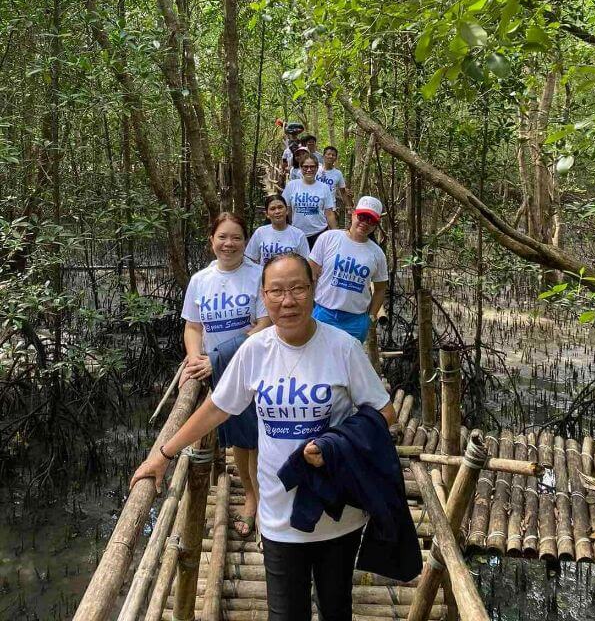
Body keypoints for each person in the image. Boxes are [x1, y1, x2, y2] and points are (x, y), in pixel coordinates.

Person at [130, 253, 396, 621]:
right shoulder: (255, 350)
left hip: (338, 511)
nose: (288, 301)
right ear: (264, 296)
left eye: (298, 289)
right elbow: (218, 407)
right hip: (277, 511)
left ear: (314, 290)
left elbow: (385, 413)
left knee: (337, 609)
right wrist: (164, 454)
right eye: (276, 291)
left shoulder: (343, 348)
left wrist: (336, 444)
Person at [180, 212, 270, 536]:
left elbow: (264, 325)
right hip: (221, 374)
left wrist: (217, 357)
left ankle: (262, 505)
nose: (229, 244)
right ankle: (251, 499)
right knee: (241, 446)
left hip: (256, 368)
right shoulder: (200, 280)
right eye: (222, 237)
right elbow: (193, 326)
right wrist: (195, 359)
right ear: (212, 241)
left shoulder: (258, 275)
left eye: (236, 237)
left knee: (260, 442)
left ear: (245, 242)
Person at [309, 196, 388, 343]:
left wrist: (370, 317)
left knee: (347, 364)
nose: (365, 223)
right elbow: (310, 273)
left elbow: (381, 288)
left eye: (370, 220)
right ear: (353, 214)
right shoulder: (328, 238)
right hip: (323, 313)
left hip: (355, 321)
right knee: (317, 360)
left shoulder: (377, 254)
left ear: (376, 224)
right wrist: (308, 306)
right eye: (362, 216)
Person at [282, 152, 336, 249]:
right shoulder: (292, 185)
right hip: (296, 233)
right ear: (301, 167)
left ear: (316, 168)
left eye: (312, 167)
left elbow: (329, 213)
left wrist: (335, 234)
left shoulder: (324, 188)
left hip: (319, 233)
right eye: (305, 167)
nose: (309, 170)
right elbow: (286, 210)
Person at [246, 194, 310, 265]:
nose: (277, 211)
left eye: (280, 207)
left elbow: (305, 263)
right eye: (272, 209)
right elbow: (250, 259)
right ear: (267, 214)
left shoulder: (298, 234)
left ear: (287, 211)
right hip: (265, 275)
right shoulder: (260, 232)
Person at [317, 146, 353, 212]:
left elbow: (343, 192)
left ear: (336, 158)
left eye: (333, 155)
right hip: (315, 205)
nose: (330, 156)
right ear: (323, 156)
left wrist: (348, 206)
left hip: (330, 207)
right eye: (328, 154)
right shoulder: (316, 169)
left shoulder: (338, 173)